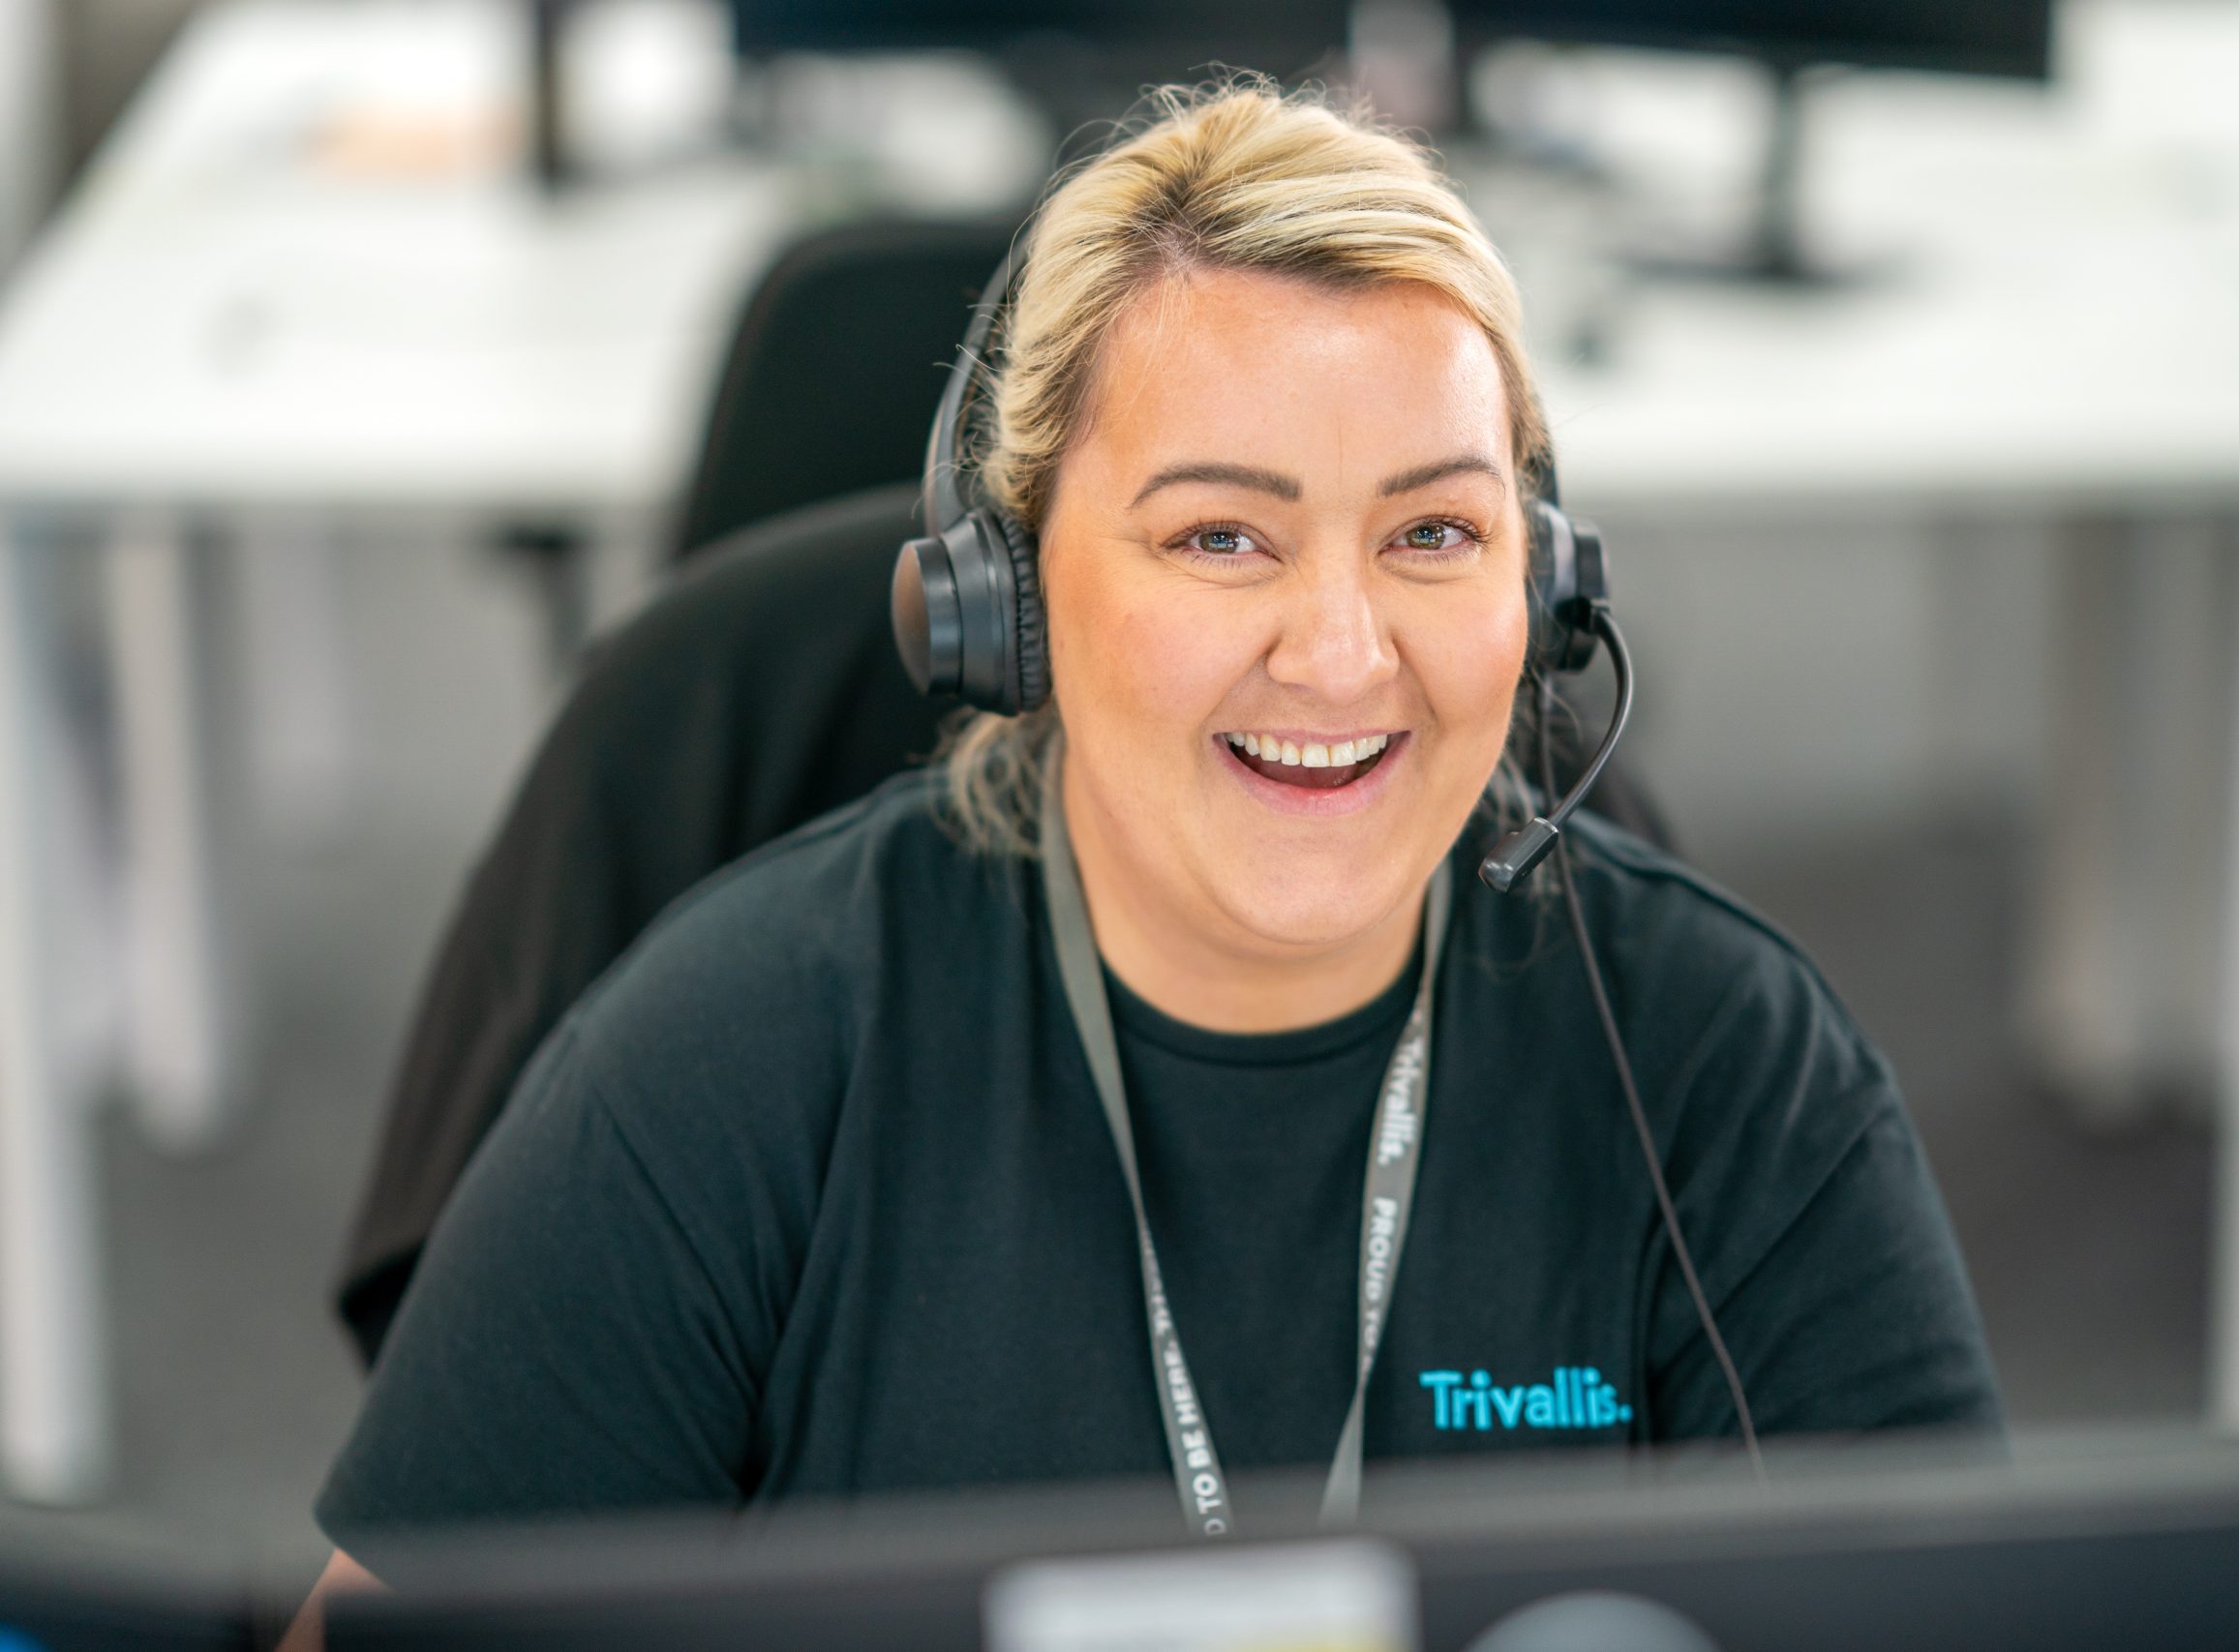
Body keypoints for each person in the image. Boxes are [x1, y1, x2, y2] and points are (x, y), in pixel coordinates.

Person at [280, 79, 2000, 1647]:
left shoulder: (1730, 1072)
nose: (1340, 652)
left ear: (1541, 596)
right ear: (1011, 605)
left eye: (1433, 534)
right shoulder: (717, 1071)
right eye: (1222, 536)